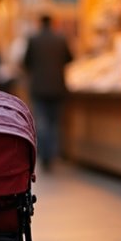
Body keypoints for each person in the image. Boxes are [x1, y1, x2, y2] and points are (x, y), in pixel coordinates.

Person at [22, 13, 74, 171]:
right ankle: (53, 153)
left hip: (38, 87)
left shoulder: (33, 39)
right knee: (55, 122)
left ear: (39, 23)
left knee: (42, 121)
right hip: (57, 86)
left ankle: (44, 155)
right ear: (53, 23)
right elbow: (70, 59)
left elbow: (26, 63)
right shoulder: (61, 39)